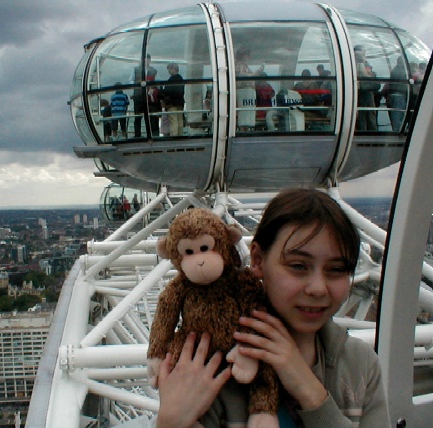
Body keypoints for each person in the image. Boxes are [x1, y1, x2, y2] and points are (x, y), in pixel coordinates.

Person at [148, 188, 391, 428]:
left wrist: (310, 391)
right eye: (298, 266)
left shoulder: (361, 365)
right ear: (257, 260)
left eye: (337, 269)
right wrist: (170, 424)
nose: (318, 289)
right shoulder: (204, 373)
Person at [235, 47, 264, 131]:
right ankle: (243, 129)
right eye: (246, 55)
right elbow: (243, 76)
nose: (248, 57)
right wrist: (257, 72)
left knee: (248, 112)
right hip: (243, 91)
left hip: (249, 92)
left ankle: (246, 128)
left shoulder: (245, 66)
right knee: (244, 113)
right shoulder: (238, 65)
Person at [132, 54, 159, 138]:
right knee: (138, 117)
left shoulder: (154, 71)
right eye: (145, 59)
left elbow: (157, 83)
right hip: (139, 96)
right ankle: (138, 135)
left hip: (150, 98)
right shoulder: (135, 70)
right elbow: (132, 80)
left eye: (148, 59)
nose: (146, 61)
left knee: (152, 117)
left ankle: (153, 135)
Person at [354, 45, 379, 131]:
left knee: (363, 115)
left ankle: (364, 132)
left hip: (360, 92)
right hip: (365, 92)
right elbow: (370, 76)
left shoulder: (353, 64)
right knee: (368, 115)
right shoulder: (365, 64)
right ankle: (370, 133)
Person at [161, 63, 185, 136]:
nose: (168, 71)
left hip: (172, 104)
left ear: (173, 69)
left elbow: (168, 92)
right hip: (180, 103)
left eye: (169, 69)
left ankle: (174, 137)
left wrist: (161, 91)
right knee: (179, 121)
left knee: (173, 121)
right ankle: (180, 136)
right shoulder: (181, 79)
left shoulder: (171, 80)